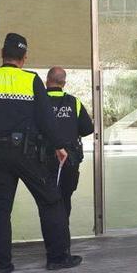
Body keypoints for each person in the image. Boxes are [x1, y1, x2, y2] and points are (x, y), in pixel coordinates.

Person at [0, 33, 82, 273]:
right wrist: (59, 146)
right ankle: (58, 258)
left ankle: (2, 265)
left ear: (3, 55)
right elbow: (46, 119)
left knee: (2, 210)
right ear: (24, 57)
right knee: (51, 200)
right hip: (26, 154)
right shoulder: (30, 80)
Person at [45, 67, 93, 253]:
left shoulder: (39, 102)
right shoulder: (74, 102)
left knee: (48, 201)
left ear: (47, 80)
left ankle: (52, 244)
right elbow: (87, 129)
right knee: (65, 199)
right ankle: (63, 244)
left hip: (45, 159)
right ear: (63, 83)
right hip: (70, 160)